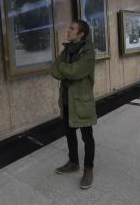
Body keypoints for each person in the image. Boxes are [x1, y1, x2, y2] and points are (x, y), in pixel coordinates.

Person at [51, 19, 96, 190]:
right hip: (67, 100)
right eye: (69, 28)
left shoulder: (89, 52)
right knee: (69, 134)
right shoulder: (66, 49)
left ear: (81, 33)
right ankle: (73, 163)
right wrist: (66, 70)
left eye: (72, 29)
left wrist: (65, 70)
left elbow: (75, 71)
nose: (68, 31)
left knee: (87, 137)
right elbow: (54, 69)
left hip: (82, 101)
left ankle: (89, 169)